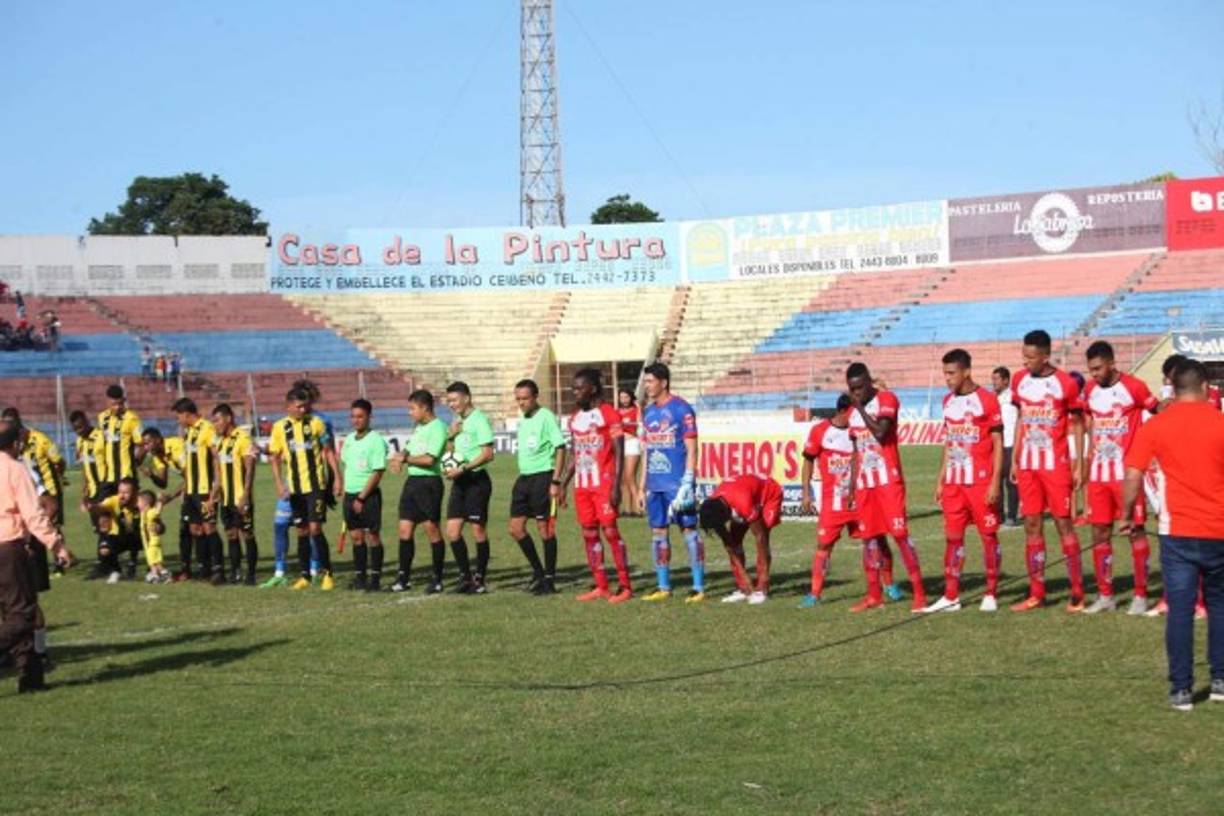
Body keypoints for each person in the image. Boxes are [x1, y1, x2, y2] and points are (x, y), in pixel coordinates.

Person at [1119, 359, 1224, 710]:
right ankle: (1220, 679)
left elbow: (1133, 474)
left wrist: (1127, 514)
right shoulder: (1220, 423)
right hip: (1218, 530)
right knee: (1220, 606)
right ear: (1207, 388)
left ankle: (1181, 689)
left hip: (1177, 532)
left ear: (1174, 390)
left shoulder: (1157, 425)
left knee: (1179, 611)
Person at [1009, 329, 1087, 613]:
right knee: (1031, 525)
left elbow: (1077, 424)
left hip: (1056, 466)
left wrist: (1079, 464)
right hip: (1029, 466)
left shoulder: (1065, 383)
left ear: (1045, 356)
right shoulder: (1019, 380)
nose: (1025, 361)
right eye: (1023, 355)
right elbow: (1021, 421)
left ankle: (1077, 591)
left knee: (1063, 524)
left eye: (1030, 357)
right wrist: (1016, 459)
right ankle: (1036, 592)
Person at [1080, 341, 1158, 615]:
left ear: (1112, 363)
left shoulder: (1134, 386)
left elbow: (1157, 414)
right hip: (1099, 475)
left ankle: (1140, 595)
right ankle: (1106, 596)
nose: (1095, 375)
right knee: (1099, 532)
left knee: (1135, 531)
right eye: (1091, 370)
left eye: (1098, 368)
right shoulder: (1089, 390)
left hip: (1127, 476)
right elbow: (1088, 422)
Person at [925, 349, 1004, 613]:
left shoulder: (987, 400)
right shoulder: (948, 401)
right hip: (954, 484)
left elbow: (997, 443)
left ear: (966, 371)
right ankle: (951, 596)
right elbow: (950, 442)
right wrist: (940, 479)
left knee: (988, 536)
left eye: (951, 373)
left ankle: (991, 593)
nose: (947, 379)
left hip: (980, 483)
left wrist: (995, 482)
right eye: (944, 373)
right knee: (952, 538)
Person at [845, 362, 926, 612]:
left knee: (900, 535)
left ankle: (920, 595)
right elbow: (856, 451)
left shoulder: (887, 398)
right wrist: (851, 486)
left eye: (859, 387)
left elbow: (881, 432)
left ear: (869, 381)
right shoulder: (850, 414)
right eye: (852, 389)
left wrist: (859, 407)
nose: (856, 393)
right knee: (868, 539)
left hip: (888, 481)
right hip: (865, 485)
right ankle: (873, 595)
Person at [0, 425, 71, 693]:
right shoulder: (15, 469)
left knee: (12, 609)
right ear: (15, 444)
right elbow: (33, 513)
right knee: (24, 613)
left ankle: (31, 676)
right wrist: (57, 544)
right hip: (8, 545)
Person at [1146, 354, 1216, 618]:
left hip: (1204, 474)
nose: (1171, 383)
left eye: (1174, 377)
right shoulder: (1170, 401)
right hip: (1171, 474)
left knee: (1198, 539)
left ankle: (1202, 601)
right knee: (1168, 533)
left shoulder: (1209, 396)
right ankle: (1170, 597)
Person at [561, 368, 632, 603]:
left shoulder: (608, 414)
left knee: (610, 532)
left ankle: (625, 586)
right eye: (574, 388)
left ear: (592, 388)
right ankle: (601, 585)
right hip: (582, 486)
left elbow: (620, 451)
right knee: (589, 533)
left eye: (579, 388)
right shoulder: (574, 419)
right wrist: (562, 483)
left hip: (603, 483)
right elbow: (575, 454)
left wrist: (617, 486)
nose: (575, 393)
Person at [637, 362, 705, 602]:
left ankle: (698, 588)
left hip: (677, 485)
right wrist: (641, 486)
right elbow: (646, 450)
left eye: (650, 381)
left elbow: (692, 448)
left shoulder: (682, 409)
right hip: (655, 486)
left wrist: (688, 481)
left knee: (688, 530)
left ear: (663, 382)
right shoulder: (648, 412)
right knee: (658, 533)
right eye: (645, 382)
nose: (647, 386)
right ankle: (663, 586)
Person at [268, 387, 341, 591]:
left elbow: (328, 452)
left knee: (315, 529)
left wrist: (337, 479)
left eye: (305, 406)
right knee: (301, 531)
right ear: (288, 406)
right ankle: (305, 576)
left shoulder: (316, 424)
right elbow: (274, 457)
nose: (303, 410)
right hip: (295, 489)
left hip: (316, 486)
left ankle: (327, 573)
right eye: (298, 406)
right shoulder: (279, 428)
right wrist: (279, 483)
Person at [799, 394, 866, 608]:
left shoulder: (860, 431)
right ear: (845, 411)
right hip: (833, 503)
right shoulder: (820, 431)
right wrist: (806, 493)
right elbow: (808, 460)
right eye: (855, 412)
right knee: (824, 545)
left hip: (860, 499)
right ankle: (815, 594)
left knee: (873, 541)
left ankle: (887, 585)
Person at [508, 379, 566, 595]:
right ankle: (539, 572)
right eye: (518, 398)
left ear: (535, 397)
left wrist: (556, 480)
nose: (521, 402)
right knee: (515, 528)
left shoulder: (546, 417)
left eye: (525, 398)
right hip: (524, 479)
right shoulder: (523, 418)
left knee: (545, 529)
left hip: (543, 476)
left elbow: (561, 448)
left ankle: (549, 579)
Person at [388, 390, 449, 593]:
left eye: (412, 408)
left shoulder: (438, 428)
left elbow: (430, 459)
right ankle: (403, 578)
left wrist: (405, 459)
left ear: (425, 408)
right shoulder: (419, 428)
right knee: (404, 530)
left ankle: (437, 579)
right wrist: (400, 458)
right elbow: (409, 449)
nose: (409, 412)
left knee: (431, 529)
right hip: (412, 483)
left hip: (429, 483)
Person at [164, 398, 225, 585]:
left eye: (178, 417)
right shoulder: (189, 432)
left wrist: (217, 484)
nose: (178, 421)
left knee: (209, 527)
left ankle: (218, 569)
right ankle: (203, 569)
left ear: (186, 414)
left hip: (205, 489)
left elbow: (216, 457)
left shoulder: (206, 428)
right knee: (195, 529)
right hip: (191, 490)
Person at [443, 382, 496, 594]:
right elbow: (450, 451)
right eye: (449, 401)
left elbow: (487, 454)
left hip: (476, 480)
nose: (451, 405)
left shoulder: (479, 420)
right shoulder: (457, 421)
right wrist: (450, 436)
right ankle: (465, 577)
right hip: (460, 481)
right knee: (453, 531)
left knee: (477, 530)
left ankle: (480, 578)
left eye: (454, 400)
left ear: (467, 398)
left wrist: (463, 468)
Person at [699, 473, 783, 604]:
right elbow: (728, 543)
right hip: (744, 495)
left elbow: (760, 536)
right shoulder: (713, 506)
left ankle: (762, 587)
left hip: (769, 493)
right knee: (734, 539)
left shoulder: (742, 502)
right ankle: (744, 588)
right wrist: (744, 575)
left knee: (763, 537)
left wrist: (764, 576)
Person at [339, 399, 388, 592]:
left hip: (367, 496)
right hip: (350, 496)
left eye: (360, 416)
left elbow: (377, 472)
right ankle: (360, 577)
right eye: (353, 416)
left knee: (372, 536)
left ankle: (375, 579)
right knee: (356, 537)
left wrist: (361, 497)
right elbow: (347, 465)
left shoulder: (375, 440)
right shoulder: (349, 440)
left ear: (369, 417)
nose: (356, 420)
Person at [211, 403, 259, 585]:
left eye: (217, 420)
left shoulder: (242, 438)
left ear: (228, 418)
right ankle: (236, 571)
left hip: (240, 497)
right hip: (225, 499)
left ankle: (251, 574)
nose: (215, 425)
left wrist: (246, 494)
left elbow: (250, 468)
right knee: (231, 534)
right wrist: (214, 493)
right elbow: (219, 472)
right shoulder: (221, 442)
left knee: (247, 533)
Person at [140, 427, 190, 581]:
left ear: (157, 440)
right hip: (191, 486)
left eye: (148, 443)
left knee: (201, 528)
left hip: (204, 483)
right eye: (144, 445)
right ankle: (187, 569)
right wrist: (152, 475)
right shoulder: (157, 456)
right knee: (188, 528)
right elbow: (163, 483)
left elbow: (192, 474)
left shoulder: (176, 446)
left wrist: (174, 495)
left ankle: (208, 568)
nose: (146, 448)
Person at [87, 477, 141, 584]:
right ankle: (116, 571)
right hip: (119, 538)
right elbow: (101, 507)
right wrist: (92, 507)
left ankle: (153, 570)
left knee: (151, 540)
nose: (122, 495)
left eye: (126, 492)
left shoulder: (140, 503)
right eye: (120, 492)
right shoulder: (113, 501)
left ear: (134, 493)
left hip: (138, 538)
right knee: (104, 550)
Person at [97, 384, 143, 497]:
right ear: (107, 402)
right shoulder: (102, 418)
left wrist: (136, 461)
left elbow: (141, 444)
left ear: (124, 401)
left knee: (128, 512)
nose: (117, 407)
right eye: (114, 404)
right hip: (107, 476)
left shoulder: (132, 418)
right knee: (102, 511)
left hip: (126, 475)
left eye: (120, 403)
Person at [991, 366, 1020, 526]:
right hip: (997, 446)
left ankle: (1012, 515)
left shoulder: (1014, 399)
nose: (993, 382)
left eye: (996, 379)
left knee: (1011, 482)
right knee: (997, 480)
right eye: (993, 379)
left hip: (1011, 444)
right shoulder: (992, 399)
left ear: (1006, 380)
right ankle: (999, 514)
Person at [617, 388, 642, 515]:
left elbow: (640, 424)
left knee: (630, 476)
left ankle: (638, 507)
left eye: (626, 397)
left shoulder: (635, 410)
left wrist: (639, 408)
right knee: (622, 479)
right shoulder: (617, 412)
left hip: (632, 443)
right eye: (621, 397)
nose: (624, 400)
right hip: (621, 445)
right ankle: (628, 509)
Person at [137, 490, 169, 583]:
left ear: (146, 504)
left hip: (151, 542)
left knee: (152, 561)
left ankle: (159, 575)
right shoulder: (144, 513)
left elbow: (157, 512)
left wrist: (160, 501)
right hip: (151, 542)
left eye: (139, 502)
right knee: (155, 561)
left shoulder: (150, 513)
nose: (137, 504)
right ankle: (159, 574)